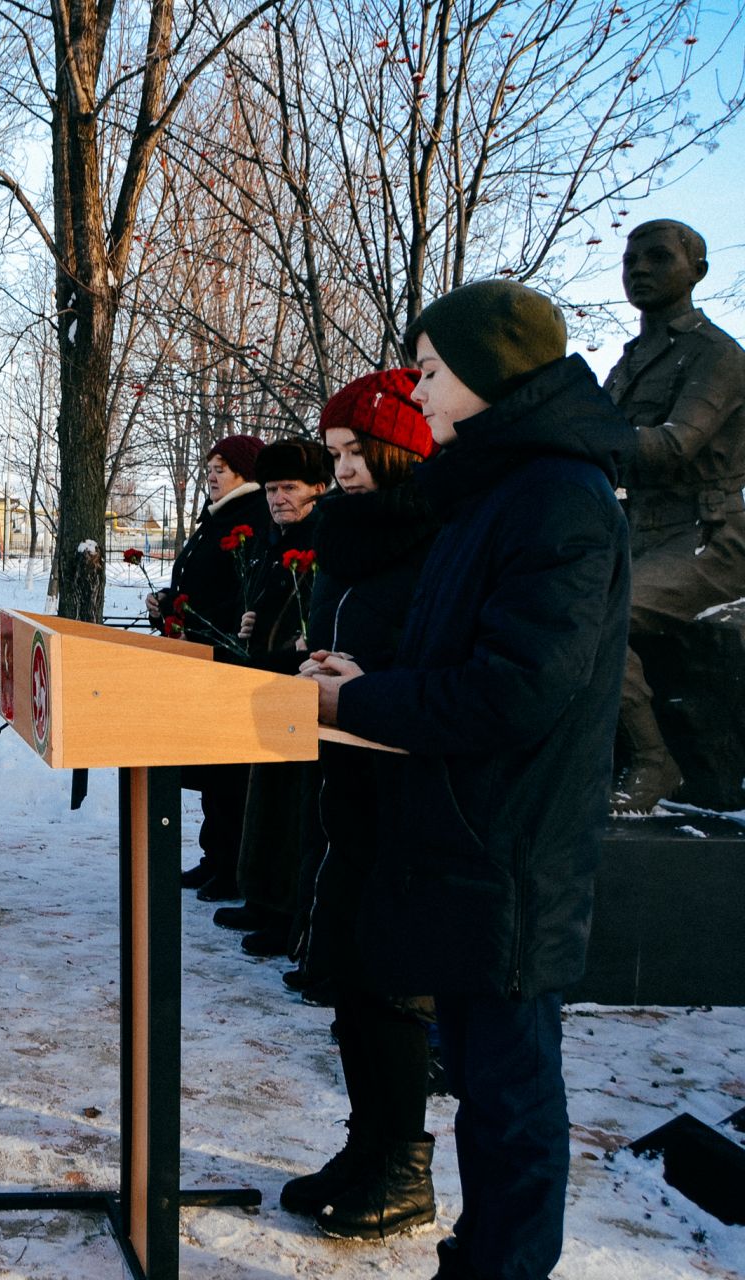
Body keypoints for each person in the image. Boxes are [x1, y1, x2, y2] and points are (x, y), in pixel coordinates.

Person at [306, 281, 630, 1280]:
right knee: (487, 1089)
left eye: (435, 369)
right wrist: (374, 680)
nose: (421, 385)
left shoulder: (558, 499)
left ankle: (504, 1263)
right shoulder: (495, 492)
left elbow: (514, 691)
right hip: (467, 835)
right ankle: (479, 1255)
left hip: (512, 845)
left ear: (490, 378)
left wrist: (359, 705)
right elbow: (454, 656)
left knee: (511, 1093)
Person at [273, 370, 441, 1239]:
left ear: (402, 450)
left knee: (391, 986)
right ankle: (365, 1143)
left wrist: (368, 681)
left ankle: (404, 1166)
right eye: (334, 453)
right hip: (346, 775)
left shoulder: (435, 534)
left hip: (408, 783)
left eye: (356, 453)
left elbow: (443, 664)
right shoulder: (347, 535)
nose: (341, 470)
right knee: (350, 978)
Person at [601, 220, 745, 811]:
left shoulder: (718, 355)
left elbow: (675, 444)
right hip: (639, 537)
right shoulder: (630, 360)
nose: (638, 268)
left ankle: (655, 762)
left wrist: (577, 432)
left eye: (657, 258)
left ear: (698, 273)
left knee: (598, 613)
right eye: (631, 258)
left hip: (710, 541)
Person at [220, 438, 329, 958]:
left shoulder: (320, 537)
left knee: (289, 808)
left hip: (296, 685)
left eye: (289, 488)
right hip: (269, 680)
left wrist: (289, 645)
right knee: (262, 796)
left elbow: (312, 617)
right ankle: (263, 897)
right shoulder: (275, 539)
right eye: (270, 489)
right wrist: (252, 623)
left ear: (318, 489)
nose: (278, 498)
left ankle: (286, 910)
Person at [149, 434, 269, 902]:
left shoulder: (250, 518)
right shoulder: (214, 518)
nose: (213, 475)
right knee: (214, 769)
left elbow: (238, 593)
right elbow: (197, 582)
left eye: (223, 467)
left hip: (227, 659)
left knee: (229, 772)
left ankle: (233, 864)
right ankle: (215, 856)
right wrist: (167, 603)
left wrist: (192, 615)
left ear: (245, 473)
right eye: (210, 467)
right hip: (201, 653)